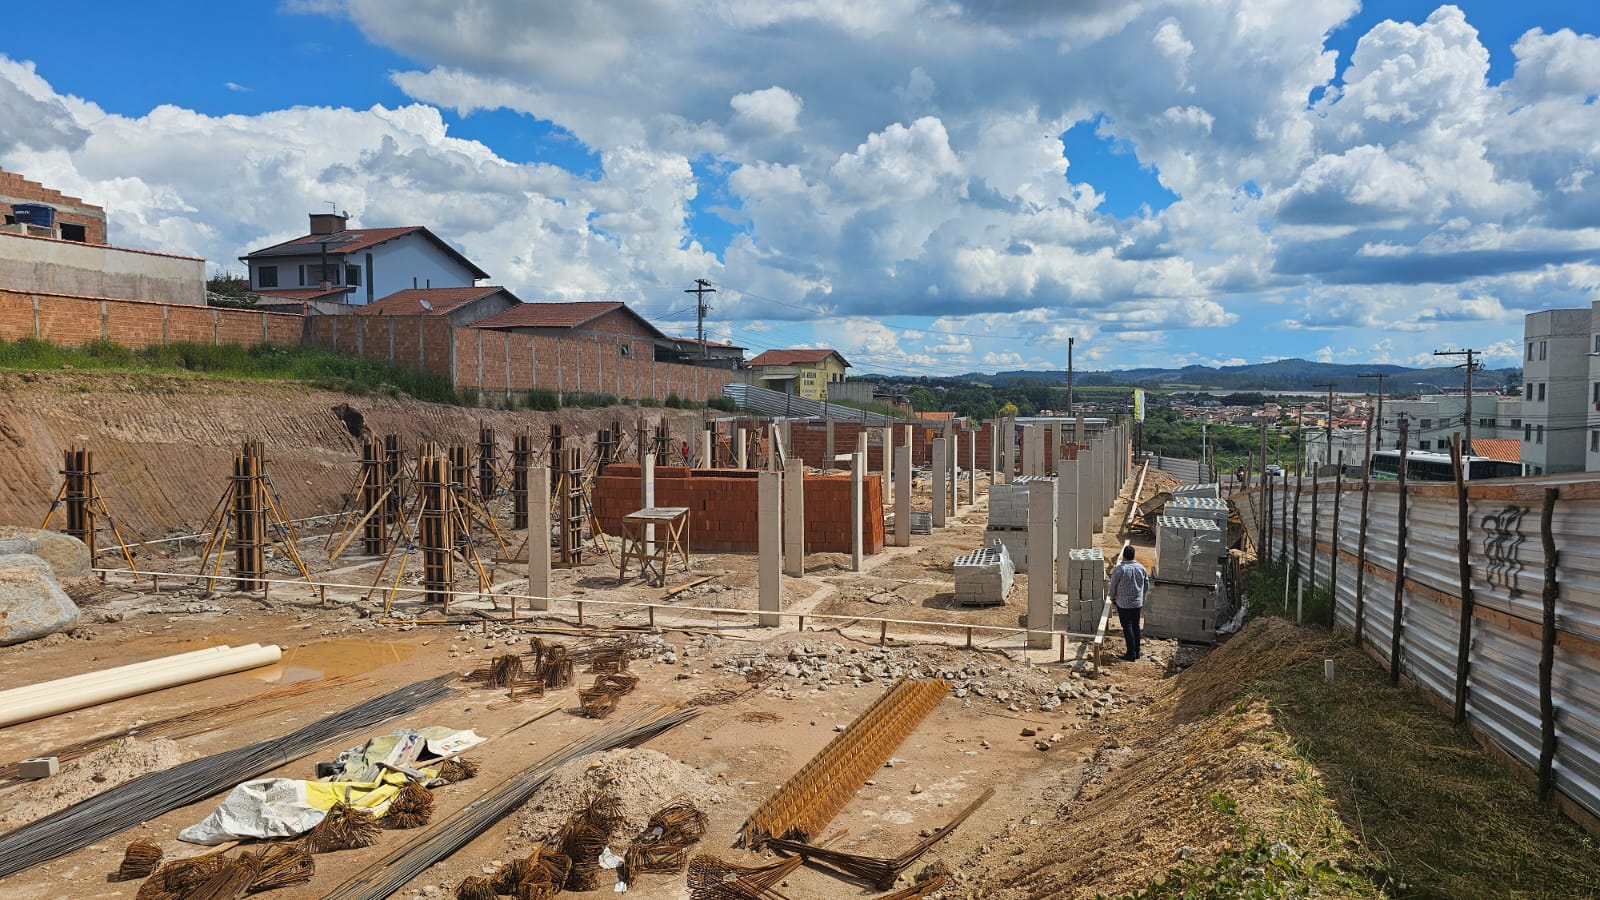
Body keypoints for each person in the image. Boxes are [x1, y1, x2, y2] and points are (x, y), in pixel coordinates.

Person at [1107, 545, 1149, 661]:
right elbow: (1146, 584)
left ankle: (1131, 653)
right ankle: (1137, 651)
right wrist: (1141, 595)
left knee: (1127, 627)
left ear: (1124, 556)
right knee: (1136, 626)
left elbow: (1113, 585)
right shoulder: (1141, 568)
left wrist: (1112, 597)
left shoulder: (1120, 569)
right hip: (1137, 603)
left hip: (1123, 604)